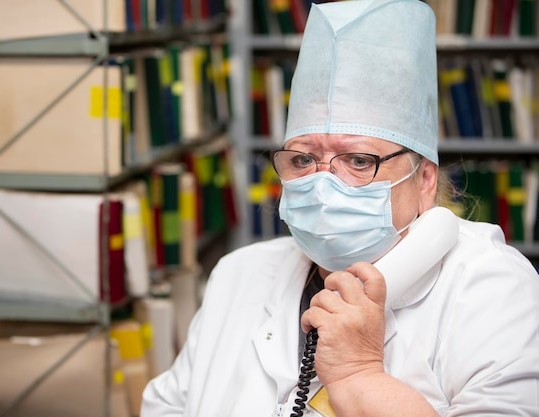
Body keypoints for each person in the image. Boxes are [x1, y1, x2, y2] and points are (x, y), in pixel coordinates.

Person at [141, 0, 539, 416]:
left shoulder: (491, 288)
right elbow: (167, 406)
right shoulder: (238, 273)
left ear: (424, 181)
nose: (322, 184)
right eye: (302, 160)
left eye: (359, 160)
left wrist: (359, 376)